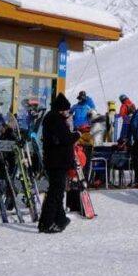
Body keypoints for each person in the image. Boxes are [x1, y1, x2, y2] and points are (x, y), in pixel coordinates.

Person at [39, 93, 78, 233]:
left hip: (56, 161)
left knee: (58, 191)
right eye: (66, 110)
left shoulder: (52, 118)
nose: (67, 113)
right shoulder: (55, 119)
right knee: (55, 192)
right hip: (57, 162)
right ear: (61, 109)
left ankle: (60, 218)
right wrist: (77, 135)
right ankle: (46, 222)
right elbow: (65, 139)